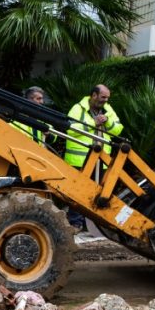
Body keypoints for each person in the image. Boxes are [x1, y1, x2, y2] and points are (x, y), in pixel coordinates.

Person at [65, 84, 123, 231]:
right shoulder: (78, 109)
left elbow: (118, 129)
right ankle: (76, 223)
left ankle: (94, 224)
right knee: (78, 193)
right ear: (94, 95)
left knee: (98, 193)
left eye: (107, 98)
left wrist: (107, 121)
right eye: (103, 97)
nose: (105, 100)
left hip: (102, 160)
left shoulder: (108, 109)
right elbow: (70, 129)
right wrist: (93, 123)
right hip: (80, 160)